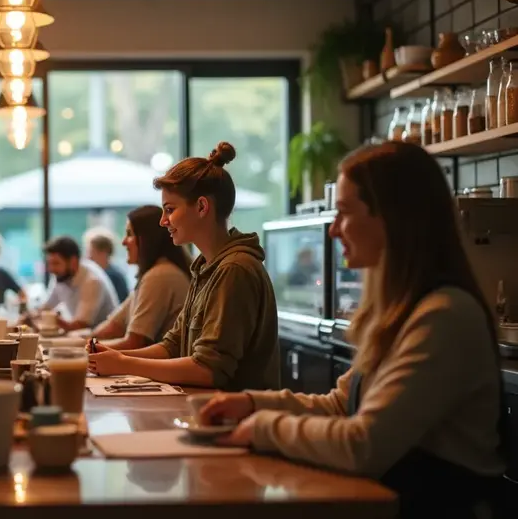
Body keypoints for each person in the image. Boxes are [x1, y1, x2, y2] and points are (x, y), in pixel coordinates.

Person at [199, 141, 513, 519]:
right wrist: (251, 403)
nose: (333, 230)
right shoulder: (402, 310)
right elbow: (339, 404)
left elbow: (363, 444)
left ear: (393, 218)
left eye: (344, 213)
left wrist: (260, 428)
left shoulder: (443, 316)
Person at [87, 142, 280, 391]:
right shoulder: (206, 267)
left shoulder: (235, 269)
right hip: (208, 410)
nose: (163, 220)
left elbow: (209, 370)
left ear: (201, 207)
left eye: (170, 209)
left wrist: (123, 363)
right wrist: (112, 356)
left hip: (236, 420)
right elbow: (173, 346)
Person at [87, 205, 192, 351]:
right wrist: (75, 344)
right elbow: (112, 328)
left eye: (130, 234)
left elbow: (134, 343)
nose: (123, 242)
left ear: (147, 239)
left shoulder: (160, 276)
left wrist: (82, 349)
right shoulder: (152, 274)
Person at [36, 236, 119, 331]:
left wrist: (54, 320)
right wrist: (30, 317)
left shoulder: (92, 281)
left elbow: (81, 324)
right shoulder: (61, 276)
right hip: (83, 336)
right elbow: (47, 307)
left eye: (56, 263)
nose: (51, 269)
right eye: (49, 263)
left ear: (73, 261)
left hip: (101, 339)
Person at [86, 228, 130, 302]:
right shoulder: (94, 273)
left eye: (91, 252)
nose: (88, 257)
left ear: (103, 252)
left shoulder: (114, 276)